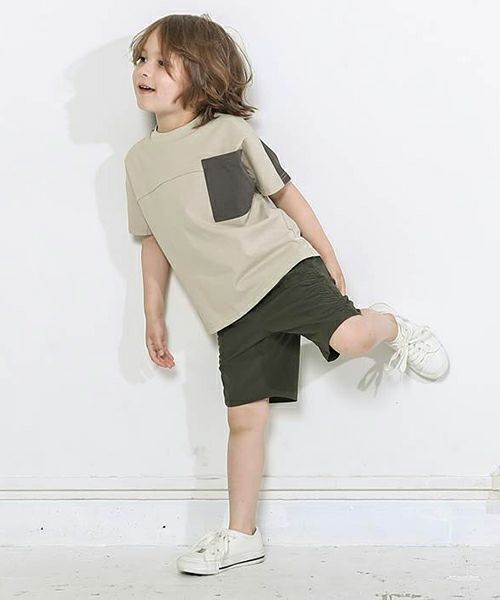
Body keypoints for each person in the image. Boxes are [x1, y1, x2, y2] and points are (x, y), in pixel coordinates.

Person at [125, 13, 449, 576]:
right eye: (141, 60)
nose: (144, 72)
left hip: (282, 268)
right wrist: (153, 312)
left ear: (201, 74)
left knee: (352, 337)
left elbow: (285, 195)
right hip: (228, 309)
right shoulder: (138, 162)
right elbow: (153, 241)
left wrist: (328, 254)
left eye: (161, 62)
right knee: (244, 420)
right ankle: (241, 534)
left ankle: (393, 325)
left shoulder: (229, 133)